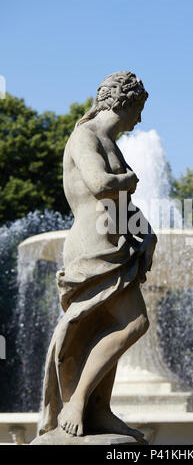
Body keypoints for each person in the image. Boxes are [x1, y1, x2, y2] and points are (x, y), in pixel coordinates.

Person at [38, 72, 157, 443]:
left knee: (102, 327)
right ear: (124, 102)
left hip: (115, 243)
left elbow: (121, 204)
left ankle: (99, 411)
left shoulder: (111, 143)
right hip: (93, 245)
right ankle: (75, 404)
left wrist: (147, 232)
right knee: (133, 323)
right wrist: (130, 179)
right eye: (138, 109)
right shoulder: (84, 136)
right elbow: (101, 185)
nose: (139, 120)